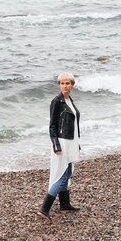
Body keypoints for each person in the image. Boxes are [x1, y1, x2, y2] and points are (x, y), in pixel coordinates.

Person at [37, 71, 81, 222]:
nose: (65, 86)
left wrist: (77, 143)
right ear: (59, 85)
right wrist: (56, 145)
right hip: (62, 143)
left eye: (67, 83)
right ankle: (44, 208)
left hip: (71, 142)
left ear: (72, 85)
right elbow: (52, 126)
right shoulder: (57, 101)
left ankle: (64, 204)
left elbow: (73, 125)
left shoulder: (69, 101)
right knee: (61, 175)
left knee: (68, 172)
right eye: (62, 83)